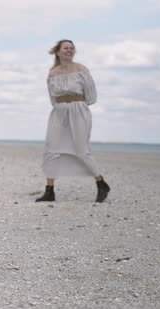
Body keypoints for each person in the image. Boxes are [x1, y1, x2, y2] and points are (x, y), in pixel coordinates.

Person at [35, 39, 111, 203]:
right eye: (66, 48)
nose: (69, 50)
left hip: (79, 111)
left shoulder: (81, 69)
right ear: (58, 51)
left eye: (72, 48)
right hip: (58, 112)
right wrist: (63, 106)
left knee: (81, 150)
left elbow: (91, 96)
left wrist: (76, 105)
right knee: (51, 150)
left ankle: (101, 183)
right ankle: (49, 191)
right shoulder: (52, 73)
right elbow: (52, 98)